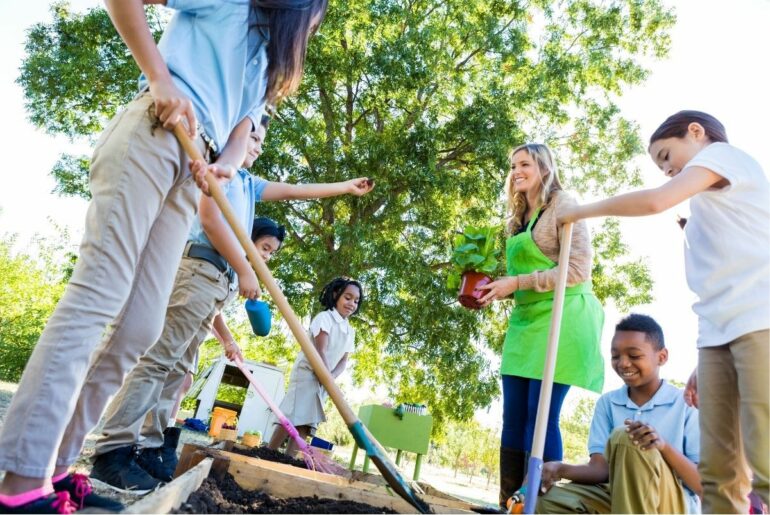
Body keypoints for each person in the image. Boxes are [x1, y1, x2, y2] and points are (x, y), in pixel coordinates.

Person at [0, 0, 328, 511]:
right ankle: (20, 482)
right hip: (155, 132)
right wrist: (160, 78)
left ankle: (59, 464)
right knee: (99, 295)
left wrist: (227, 165)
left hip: (193, 166)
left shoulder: (268, 59)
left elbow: (243, 129)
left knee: (141, 326)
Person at [88, 116, 373, 492]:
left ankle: (150, 446)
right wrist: (245, 268)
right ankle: (114, 450)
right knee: (159, 359)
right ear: (230, 136)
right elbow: (209, 220)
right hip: (199, 268)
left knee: (177, 369)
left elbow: (292, 190)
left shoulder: (247, 183)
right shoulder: (217, 172)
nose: (257, 145)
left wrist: (345, 187)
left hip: (216, 279)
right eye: (252, 136)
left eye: (261, 140)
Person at [557, 110, 769, 512]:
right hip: (717, 337)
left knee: (765, 459)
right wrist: (704, 357)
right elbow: (720, 283)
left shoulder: (724, 156)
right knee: (721, 473)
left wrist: (580, 211)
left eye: (666, 155)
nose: (667, 169)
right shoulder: (705, 206)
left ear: (695, 132)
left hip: (760, 326)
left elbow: (655, 200)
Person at [477, 143, 604, 507]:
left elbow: (577, 271)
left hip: (563, 320)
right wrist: (494, 289)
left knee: (539, 418)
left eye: (524, 164)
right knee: (513, 418)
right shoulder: (519, 217)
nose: (516, 171)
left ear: (544, 168)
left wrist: (516, 283)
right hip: (527, 322)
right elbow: (523, 274)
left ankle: (539, 505)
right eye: (513, 165)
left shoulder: (563, 204)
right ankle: (509, 504)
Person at [535, 314, 701, 514]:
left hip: (671, 505)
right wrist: (559, 468)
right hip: (617, 496)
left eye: (634, 356)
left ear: (662, 357)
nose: (623, 363)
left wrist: (663, 446)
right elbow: (600, 469)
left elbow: (703, 484)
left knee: (626, 436)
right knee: (547, 500)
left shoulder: (686, 405)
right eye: (616, 356)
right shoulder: (608, 403)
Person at [268, 277, 363, 456]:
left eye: (356, 301)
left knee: (307, 420)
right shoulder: (325, 318)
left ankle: (289, 459)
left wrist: (330, 378)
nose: (352, 303)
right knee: (292, 415)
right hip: (308, 373)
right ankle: (269, 452)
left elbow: (343, 361)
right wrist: (326, 376)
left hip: (325, 380)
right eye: (348, 297)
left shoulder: (350, 331)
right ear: (336, 295)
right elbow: (321, 350)